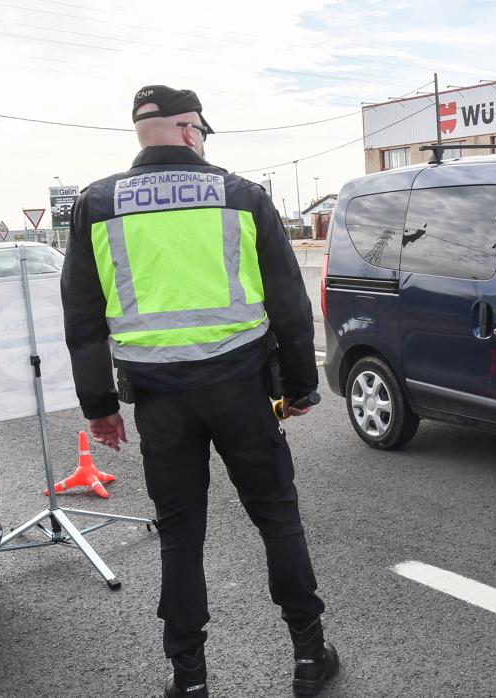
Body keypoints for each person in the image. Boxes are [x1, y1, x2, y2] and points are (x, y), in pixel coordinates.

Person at [60, 85, 340, 698]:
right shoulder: (242, 197)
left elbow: (82, 320)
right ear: (190, 131)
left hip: (160, 404)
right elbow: (289, 304)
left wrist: (100, 409)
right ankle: (310, 655)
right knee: (277, 522)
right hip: (241, 391)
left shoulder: (96, 205)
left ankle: (188, 677)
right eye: (203, 132)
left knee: (181, 537)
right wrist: (299, 387)